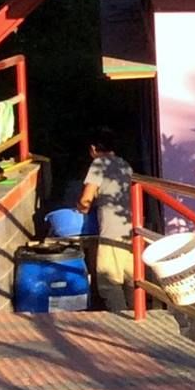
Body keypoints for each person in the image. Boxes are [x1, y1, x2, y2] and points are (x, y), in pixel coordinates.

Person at [78, 128, 136, 313]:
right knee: (132, 280)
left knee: (109, 281)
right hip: (131, 228)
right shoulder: (125, 165)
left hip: (111, 230)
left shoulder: (99, 164)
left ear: (93, 148)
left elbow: (86, 200)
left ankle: (120, 320)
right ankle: (138, 314)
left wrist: (80, 208)